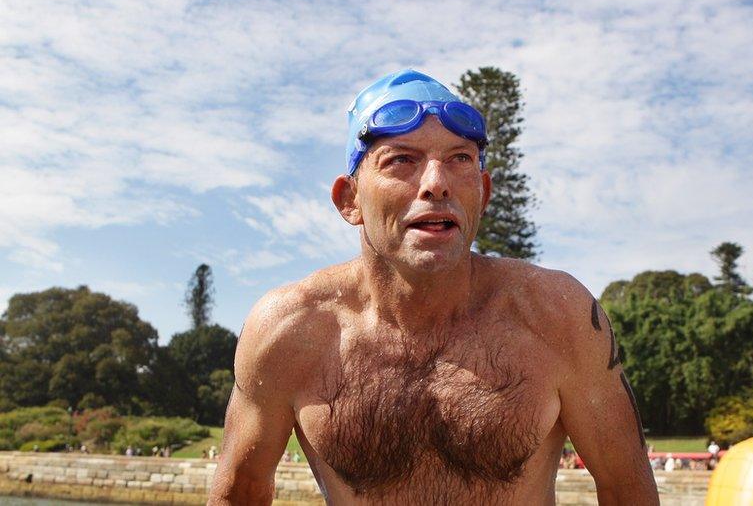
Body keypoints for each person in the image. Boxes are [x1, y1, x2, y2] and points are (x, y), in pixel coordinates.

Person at [209, 69, 659, 505]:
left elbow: (628, 491)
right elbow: (239, 493)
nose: (436, 184)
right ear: (349, 200)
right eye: (401, 160)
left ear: (482, 192)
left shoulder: (559, 317)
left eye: (459, 159)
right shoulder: (291, 330)